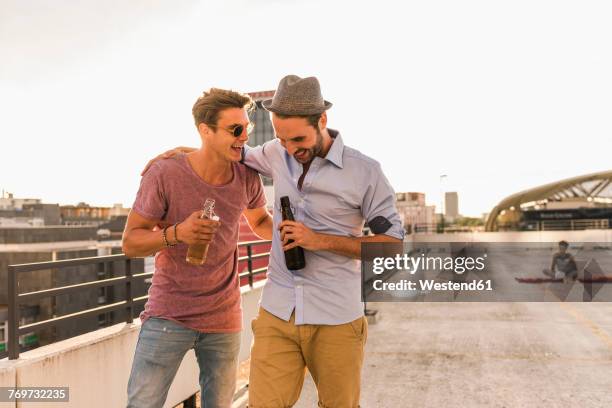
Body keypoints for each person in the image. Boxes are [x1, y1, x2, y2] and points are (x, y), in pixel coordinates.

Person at [143, 75, 404, 408]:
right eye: (281, 139)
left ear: (322, 120)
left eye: (298, 139)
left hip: (337, 317)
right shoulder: (276, 152)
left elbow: (392, 245)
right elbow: (234, 153)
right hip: (277, 312)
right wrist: (190, 152)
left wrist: (319, 241)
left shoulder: (365, 172)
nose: (291, 149)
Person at [122, 88, 273, 408]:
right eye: (236, 129)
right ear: (206, 130)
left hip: (224, 316)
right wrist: (178, 233)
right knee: (142, 404)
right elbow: (131, 242)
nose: (245, 136)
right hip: (168, 314)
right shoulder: (165, 172)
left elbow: (260, 222)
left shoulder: (246, 175)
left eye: (246, 127)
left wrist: (301, 235)